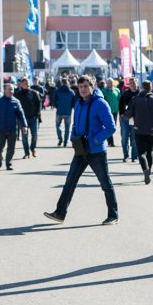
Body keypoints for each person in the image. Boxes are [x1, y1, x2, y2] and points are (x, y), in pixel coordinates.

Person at [44, 75, 119, 225]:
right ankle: (60, 213)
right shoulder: (78, 103)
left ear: (92, 87)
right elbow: (74, 125)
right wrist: (73, 137)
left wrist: (96, 140)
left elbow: (110, 127)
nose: (83, 89)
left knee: (105, 184)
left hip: (96, 152)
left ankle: (113, 215)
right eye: (80, 87)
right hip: (80, 150)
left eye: (86, 86)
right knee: (69, 182)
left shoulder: (100, 103)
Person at [126, 81, 153, 185]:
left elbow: (128, 114)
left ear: (141, 88)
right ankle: (148, 172)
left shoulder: (135, 100)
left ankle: (145, 169)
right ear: (150, 88)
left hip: (138, 130)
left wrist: (127, 112)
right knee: (149, 152)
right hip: (152, 131)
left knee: (141, 153)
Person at [0, 83, 27, 170]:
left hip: (12, 129)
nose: (11, 91)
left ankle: (8, 163)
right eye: (9, 89)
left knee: (11, 148)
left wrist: (24, 125)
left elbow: (21, 114)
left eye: (12, 89)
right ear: (5, 90)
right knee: (0, 147)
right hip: (1, 128)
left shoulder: (16, 102)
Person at [14, 77, 42, 159]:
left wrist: (37, 113)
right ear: (21, 84)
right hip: (23, 120)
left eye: (27, 82)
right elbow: (15, 106)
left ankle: (32, 148)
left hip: (33, 118)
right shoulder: (18, 95)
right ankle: (27, 153)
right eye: (24, 83)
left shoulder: (34, 93)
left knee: (34, 135)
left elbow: (39, 103)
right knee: (24, 137)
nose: (26, 84)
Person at [118, 77, 139, 163]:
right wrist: (120, 118)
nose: (132, 84)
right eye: (131, 83)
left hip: (136, 119)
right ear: (128, 84)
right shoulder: (125, 93)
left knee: (134, 138)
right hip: (125, 119)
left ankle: (134, 157)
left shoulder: (140, 94)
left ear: (137, 83)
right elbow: (120, 106)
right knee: (124, 138)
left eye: (134, 83)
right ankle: (126, 156)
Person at [53, 77, 76, 146]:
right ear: (68, 83)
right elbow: (74, 102)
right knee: (67, 127)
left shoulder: (58, 91)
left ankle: (60, 137)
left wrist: (57, 106)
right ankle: (65, 142)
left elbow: (54, 100)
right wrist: (70, 107)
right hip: (68, 112)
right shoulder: (71, 92)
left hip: (59, 111)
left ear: (62, 83)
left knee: (57, 125)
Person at [102, 78, 120, 147]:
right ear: (107, 83)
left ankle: (110, 140)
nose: (111, 84)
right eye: (109, 83)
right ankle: (110, 142)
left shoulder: (117, 90)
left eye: (112, 82)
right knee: (110, 126)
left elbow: (119, 99)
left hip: (115, 111)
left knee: (113, 127)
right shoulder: (104, 91)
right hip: (108, 112)